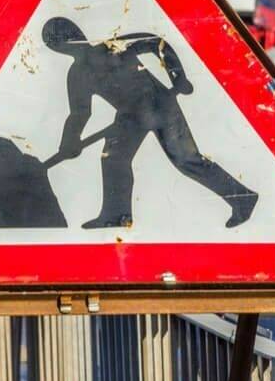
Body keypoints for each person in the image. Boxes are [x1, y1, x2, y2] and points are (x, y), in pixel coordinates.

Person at [42, 17, 259, 229]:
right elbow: (79, 113)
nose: (69, 44)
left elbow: (156, 41)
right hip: (129, 117)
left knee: (186, 159)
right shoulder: (78, 74)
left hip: (159, 104)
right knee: (114, 160)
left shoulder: (113, 47)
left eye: (66, 39)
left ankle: (243, 198)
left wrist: (178, 77)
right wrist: (68, 143)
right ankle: (117, 215)